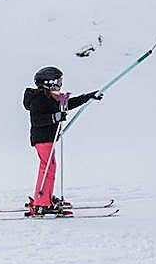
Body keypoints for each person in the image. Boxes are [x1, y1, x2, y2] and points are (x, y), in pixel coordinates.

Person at [22, 66, 102, 217]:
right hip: (42, 138)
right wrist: (56, 117)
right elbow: (37, 120)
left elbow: (68, 104)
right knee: (48, 168)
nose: (60, 85)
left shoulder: (51, 98)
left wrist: (88, 97)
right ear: (48, 83)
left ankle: (45, 196)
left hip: (48, 138)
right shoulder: (39, 99)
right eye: (57, 82)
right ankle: (41, 203)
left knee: (50, 167)